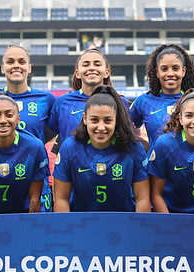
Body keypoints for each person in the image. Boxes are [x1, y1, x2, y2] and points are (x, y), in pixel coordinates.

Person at [53, 85, 150, 213]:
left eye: (108, 121)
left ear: (116, 120)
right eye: (94, 120)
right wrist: (67, 231)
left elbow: (142, 199)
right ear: (85, 118)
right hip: (81, 225)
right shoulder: (69, 148)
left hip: (124, 225)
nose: (101, 127)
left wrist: (138, 230)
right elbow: (61, 199)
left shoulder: (133, 148)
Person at [0, 44, 55, 211]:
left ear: (29, 68)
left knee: (36, 231)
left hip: (34, 177)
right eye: (10, 61)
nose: (16, 65)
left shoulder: (46, 99)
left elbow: (50, 132)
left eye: (21, 61)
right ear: (2, 68)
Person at [129, 43, 194, 144]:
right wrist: (144, 149)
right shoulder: (144, 102)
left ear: (183, 71)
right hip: (155, 160)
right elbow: (124, 130)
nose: (170, 74)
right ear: (157, 72)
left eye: (175, 68)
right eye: (164, 69)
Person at [47, 47, 114, 145]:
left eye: (97, 64)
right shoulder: (63, 102)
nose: (91, 68)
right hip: (71, 160)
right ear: (77, 73)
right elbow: (43, 137)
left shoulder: (119, 102)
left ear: (107, 72)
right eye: (86, 64)